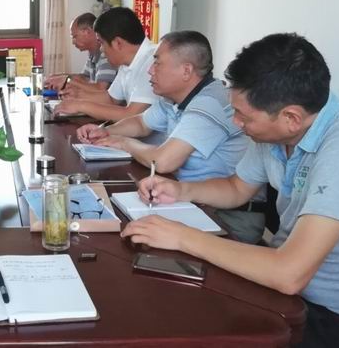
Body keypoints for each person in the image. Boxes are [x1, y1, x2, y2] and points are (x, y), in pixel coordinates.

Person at [121, 33, 339, 347]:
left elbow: (289, 273)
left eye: (244, 117)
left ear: (291, 117)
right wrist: (180, 190)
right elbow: (236, 188)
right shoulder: (276, 133)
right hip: (284, 291)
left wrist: (181, 236)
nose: (236, 123)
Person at [78, 31, 262, 243]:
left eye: (157, 63)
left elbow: (163, 161)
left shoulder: (209, 102)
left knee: (130, 234)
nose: (150, 70)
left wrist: (124, 143)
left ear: (186, 71)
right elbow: (141, 123)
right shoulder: (174, 98)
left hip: (228, 216)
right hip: (187, 198)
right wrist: (107, 132)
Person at [53, 7, 158, 121]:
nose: (101, 49)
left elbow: (131, 115)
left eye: (102, 43)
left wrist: (81, 105)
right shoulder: (127, 61)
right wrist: (77, 95)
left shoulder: (152, 61)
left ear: (118, 43)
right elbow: (111, 99)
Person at [45, 13, 117, 92]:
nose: (73, 42)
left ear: (87, 32)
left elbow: (101, 89)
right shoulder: (93, 53)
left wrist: (67, 80)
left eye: (75, 36)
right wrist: (59, 77)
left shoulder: (106, 53)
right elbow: (85, 77)